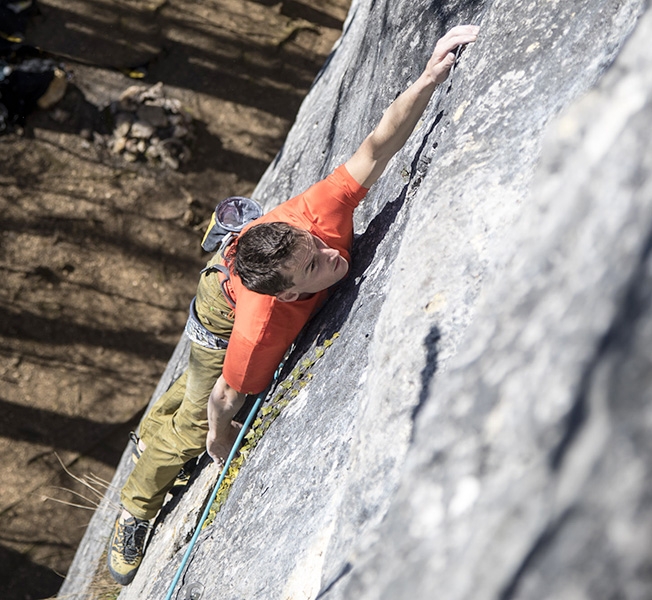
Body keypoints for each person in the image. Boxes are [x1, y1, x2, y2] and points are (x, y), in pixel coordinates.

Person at [106, 24, 480, 585]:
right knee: (189, 419)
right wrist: (215, 436)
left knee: (196, 387)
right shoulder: (259, 328)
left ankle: (235, 238)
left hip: (261, 244)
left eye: (319, 248)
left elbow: (381, 141)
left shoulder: (317, 218)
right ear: (286, 294)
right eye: (313, 269)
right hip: (223, 307)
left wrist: (429, 72)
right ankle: (134, 508)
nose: (333, 256)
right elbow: (225, 398)